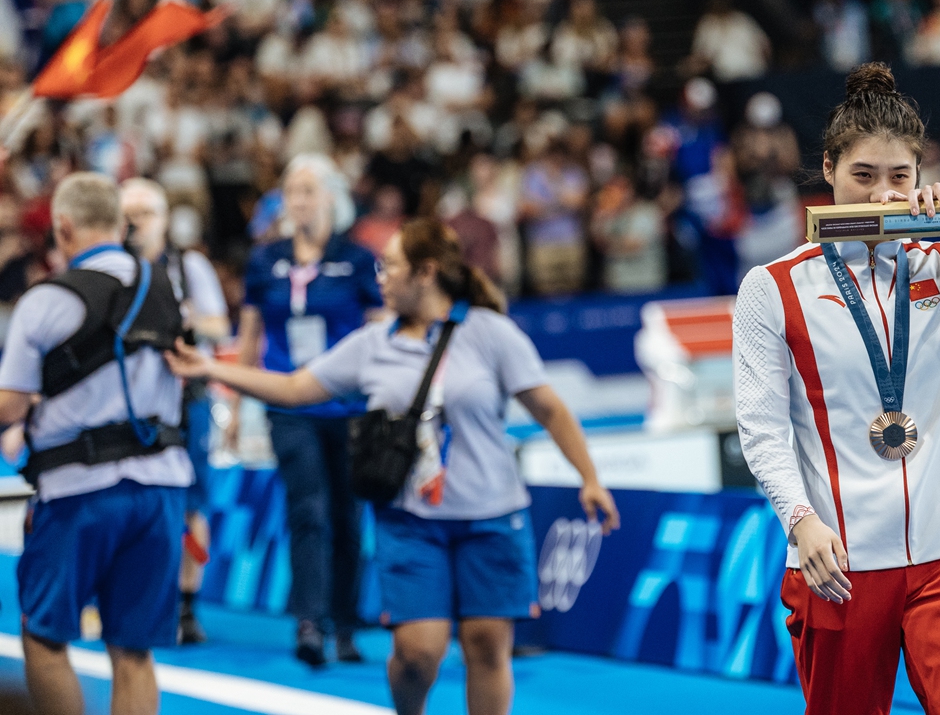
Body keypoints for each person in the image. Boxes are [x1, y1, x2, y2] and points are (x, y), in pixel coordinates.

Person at [167, 218, 621, 715]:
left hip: (492, 517)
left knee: (488, 647)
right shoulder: (373, 343)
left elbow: (549, 409)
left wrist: (589, 478)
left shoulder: (491, 332)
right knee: (417, 654)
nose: (379, 277)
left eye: (391, 267)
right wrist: (213, 369)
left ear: (425, 273)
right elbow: (296, 388)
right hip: (410, 522)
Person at [732, 63, 940, 713]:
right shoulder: (773, 287)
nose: (883, 196)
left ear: (921, 177)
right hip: (838, 561)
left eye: (900, 177)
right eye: (863, 176)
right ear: (828, 167)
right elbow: (763, 428)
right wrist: (799, 522)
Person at [0, 172, 192, 715]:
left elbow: (10, 406)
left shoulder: (47, 299)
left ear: (62, 228)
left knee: (44, 637)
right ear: (120, 224)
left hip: (78, 488)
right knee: (133, 652)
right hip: (161, 485)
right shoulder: (165, 286)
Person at [237, 153, 383, 666]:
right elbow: (250, 333)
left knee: (347, 514)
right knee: (308, 507)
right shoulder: (265, 259)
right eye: (291, 191)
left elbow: (380, 329)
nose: (298, 201)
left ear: (330, 196)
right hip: (287, 403)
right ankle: (309, 621)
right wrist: (238, 407)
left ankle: (345, 623)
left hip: (347, 405)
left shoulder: (358, 259)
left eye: (307, 191)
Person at [120, 177, 230, 646]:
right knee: (124, 499)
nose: (135, 224)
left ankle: (187, 605)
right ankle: (127, 595)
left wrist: (184, 316)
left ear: (164, 219)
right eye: (127, 215)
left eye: (144, 214)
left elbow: (220, 325)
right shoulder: (114, 269)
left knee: (193, 500)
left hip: (185, 401)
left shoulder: (189, 266)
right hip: (127, 403)